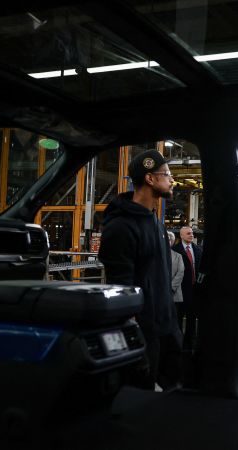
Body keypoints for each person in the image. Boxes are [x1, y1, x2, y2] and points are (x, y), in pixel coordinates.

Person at [98, 149, 181, 390]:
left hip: (166, 328)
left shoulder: (155, 222)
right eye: (167, 174)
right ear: (150, 178)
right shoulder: (121, 226)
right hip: (144, 333)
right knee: (139, 397)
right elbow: (121, 290)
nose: (172, 180)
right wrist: (134, 339)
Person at [172, 226, 202, 350]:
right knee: (179, 317)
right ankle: (178, 344)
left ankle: (191, 344)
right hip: (180, 289)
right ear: (181, 236)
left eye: (192, 233)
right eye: (188, 233)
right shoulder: (175, 250)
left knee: (192, 318)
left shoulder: (198, 249)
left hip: (195, 289)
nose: (191, 235)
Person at [168, 231, 185, 330]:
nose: (167, 241)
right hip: (159, 294)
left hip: (174, 294)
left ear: (172, 241)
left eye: (169, 239)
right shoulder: (156, 256)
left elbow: (180, 272)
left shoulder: (178, 256)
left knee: (175, 321)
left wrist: (170, 288)